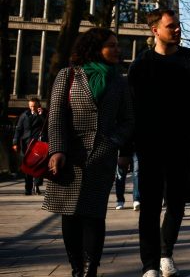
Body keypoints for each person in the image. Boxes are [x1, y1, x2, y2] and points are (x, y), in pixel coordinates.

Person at [44, 28, 134, 277]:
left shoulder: (119, 81)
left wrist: (112, 142)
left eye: (118, 45)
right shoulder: (69, 75)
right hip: (69, 156)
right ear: (95, 48)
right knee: (70, 214)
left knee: (94, 215)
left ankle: (91, 269)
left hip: (101, 157)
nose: (118, 50)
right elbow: (56, 115)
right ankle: (76, 268)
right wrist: (57, 149)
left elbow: (128, 120)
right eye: (112, 45)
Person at [129, 9, 190, 277]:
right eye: (171, 26)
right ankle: (149, 265)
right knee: (150, 206)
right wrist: (131, 144)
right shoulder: (141, 63)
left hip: (183, 144)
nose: (177, 30)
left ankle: (166, 254)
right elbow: (131, 106)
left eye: (178, 25)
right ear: (155, 30)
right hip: (150, 144)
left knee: (177, 202)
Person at [13, 97, 46, 194]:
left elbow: (46, 126)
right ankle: (28, 188)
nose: (32, 108)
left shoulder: (43, 115)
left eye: (34, 106)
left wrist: (41, 115)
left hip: (38, 144)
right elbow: (18, 130)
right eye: (31, 106)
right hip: (26, 144)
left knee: (39, 165)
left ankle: (36, 185)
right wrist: (15, 142)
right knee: (27, 166)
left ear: (38, 106)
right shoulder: (24, 115)